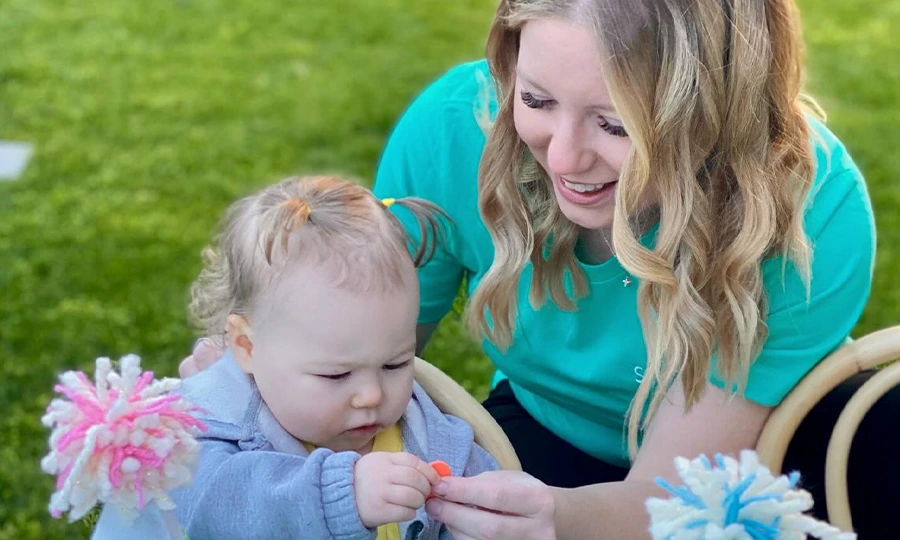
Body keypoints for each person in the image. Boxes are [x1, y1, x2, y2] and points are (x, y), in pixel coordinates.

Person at [183, 1, 899, 538]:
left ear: (716, 112)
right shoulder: (452, 130)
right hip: (547, 429)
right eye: (536, 100)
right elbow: (352, 346)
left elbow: (673, 496)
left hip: (750, 456)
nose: (561, 158)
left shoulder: (809, 210)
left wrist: (558, 518)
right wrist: (253, 383)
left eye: (616, 124)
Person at [154, 175, 499, 539]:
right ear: (248, 348)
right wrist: (338, 496)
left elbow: (488, 503)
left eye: (395, 364)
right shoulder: (217, 422)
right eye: (336, 375)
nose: (372, 395)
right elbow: (213, 506)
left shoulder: (428, 437)